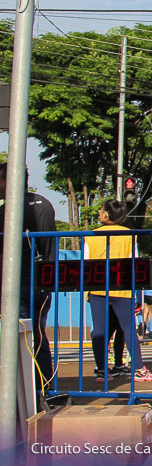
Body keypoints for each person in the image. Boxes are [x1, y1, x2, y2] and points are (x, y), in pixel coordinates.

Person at [0, 164, 57, 396]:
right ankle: (44, 387)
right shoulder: (44, 204)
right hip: (42, 282)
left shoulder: (7, 210)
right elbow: (49, 245)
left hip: (19, 284)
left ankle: (25, 392)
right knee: (38, 335)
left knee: (21, 337)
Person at [85, 199, 152, 382]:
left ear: (106, 215)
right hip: (122, 288)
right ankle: (139, 368)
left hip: (97, 288)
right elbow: (135, 260)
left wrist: (88, 291)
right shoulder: (129, 235)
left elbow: (86, 263)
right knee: (129, 329)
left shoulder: (91, 235)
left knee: (99, 330)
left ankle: (102, 370)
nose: (100, 213)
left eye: (101, 210)